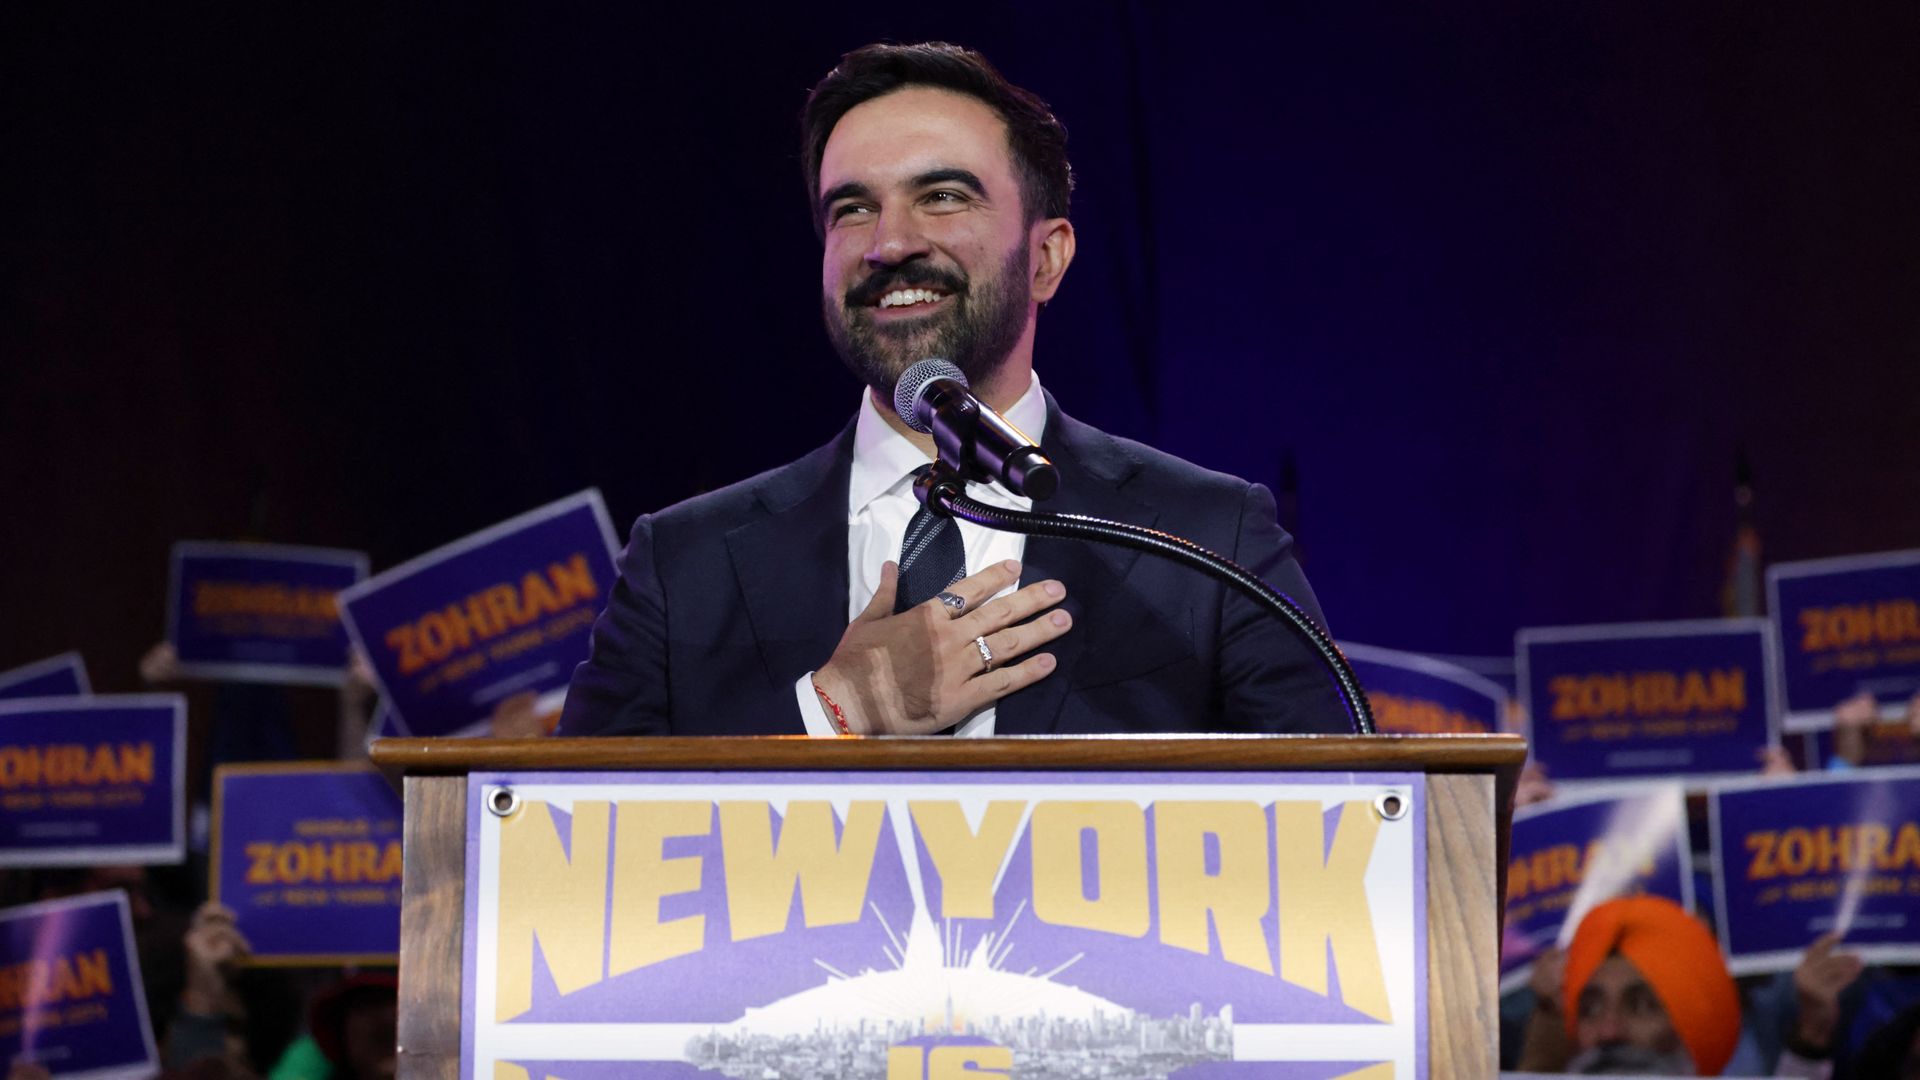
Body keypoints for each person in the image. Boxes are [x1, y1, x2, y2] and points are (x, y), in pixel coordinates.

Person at [559, 42, 1348, 739]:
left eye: (942, 196)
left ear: (1046, 259)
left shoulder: (1210, 540)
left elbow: (1345, 841)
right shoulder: (680, 564)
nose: (890, 243)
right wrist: (829, 715)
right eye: (852, 208)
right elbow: (561, 854)